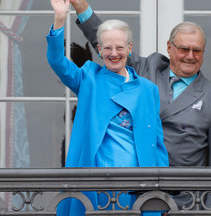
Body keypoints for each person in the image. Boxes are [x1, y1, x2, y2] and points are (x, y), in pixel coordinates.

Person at [68, 0, 211, 212]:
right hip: (134, 197)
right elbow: (109, 44)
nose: (190, 56)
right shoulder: (148, 69)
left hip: (184, 204)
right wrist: (81, 6)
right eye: (184, 49)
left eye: (197, 50)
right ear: (169, 47)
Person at [47, 0, 169, 215]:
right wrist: (59, 17)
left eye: (120, 47)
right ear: (99, 49)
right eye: (108, 48)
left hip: (138, 183)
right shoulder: (87, 78)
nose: (114, 53)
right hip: (95, 180)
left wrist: (163, 193)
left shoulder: (147, 89)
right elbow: (57, 61)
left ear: (129, 49)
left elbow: (157, 142)